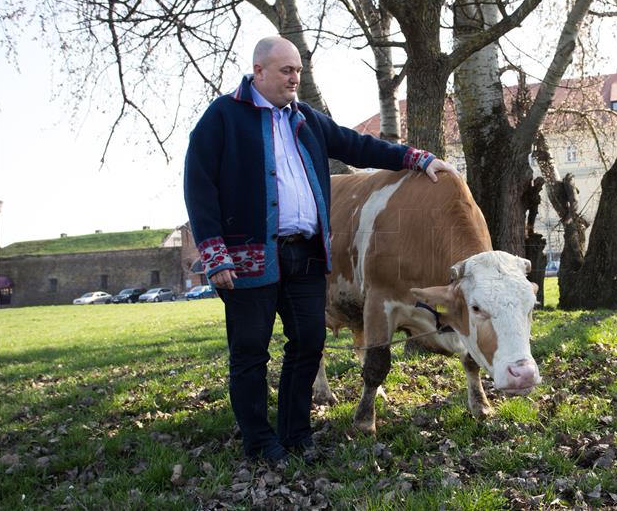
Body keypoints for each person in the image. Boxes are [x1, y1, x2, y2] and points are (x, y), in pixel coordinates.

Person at [184, 35, 455, 464]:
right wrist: (214, 251)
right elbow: (198, 184)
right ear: (258, 71)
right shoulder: (223, 117)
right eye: (286, 70)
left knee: (309, 342)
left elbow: (358, 144)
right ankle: (260, 442)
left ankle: (295, 434)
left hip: (306, 255)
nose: (295, 78)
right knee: (250, 351)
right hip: (247, 259)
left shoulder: (306, 118)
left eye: (298, 70)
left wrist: (416, 158)